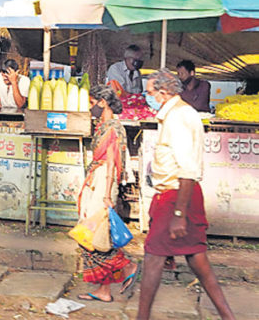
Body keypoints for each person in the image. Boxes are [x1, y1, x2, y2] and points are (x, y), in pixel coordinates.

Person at [138, 69, 235, 320]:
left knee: (153, 258)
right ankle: (228, 316)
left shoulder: (179, 117)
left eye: (149, 93)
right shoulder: (174, 114)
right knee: (196, 258)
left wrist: (179, 214)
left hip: (177, 195)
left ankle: (142, 317)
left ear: (163, 92)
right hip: (176, 194)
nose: (148, 97)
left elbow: (187, 170)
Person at [76, 85, 138, 303]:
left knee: (91, 235)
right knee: (96, 237)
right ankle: (103, 290)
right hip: (98, 180)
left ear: (103, 103)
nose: (89, 107)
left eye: (92, 103)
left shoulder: (111, 127)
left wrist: (106, 194)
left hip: (103, 181)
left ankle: (127, 265)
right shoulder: (105, 125)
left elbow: (111, 161)